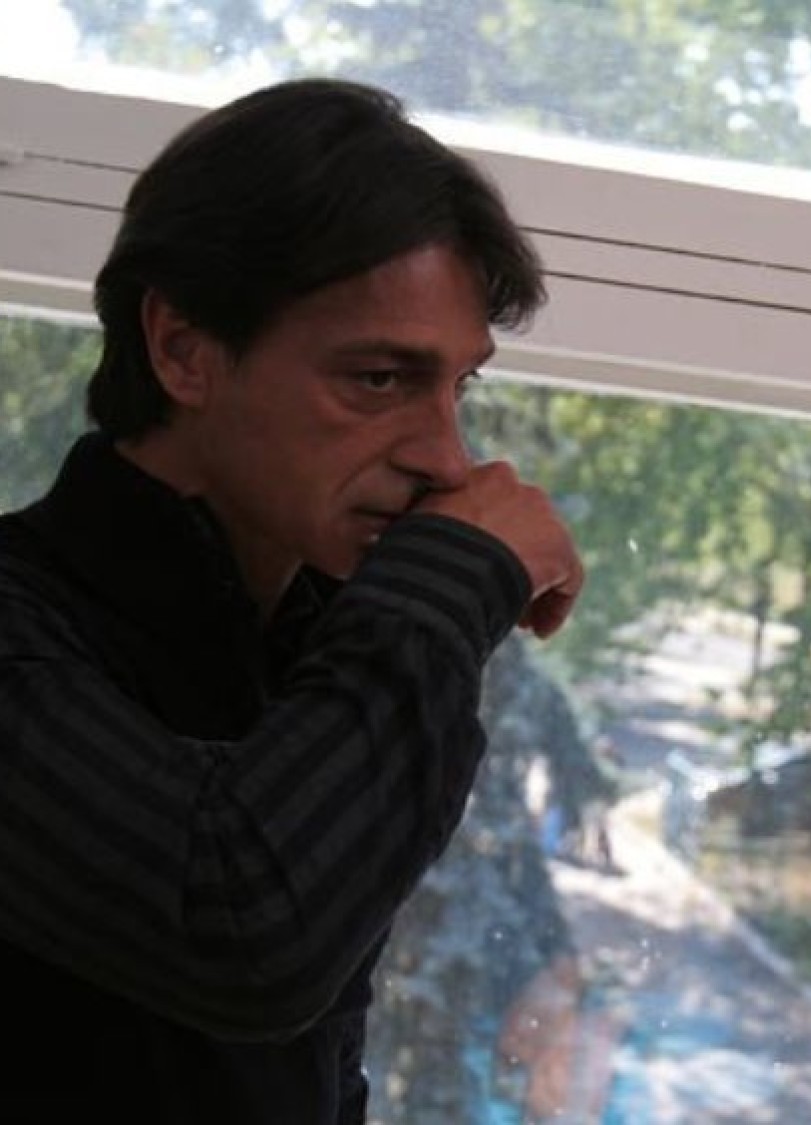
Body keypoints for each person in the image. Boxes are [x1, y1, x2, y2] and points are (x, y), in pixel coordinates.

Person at [0, 77, 584, 1124]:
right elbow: (244, 930)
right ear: (183, 348)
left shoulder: (315, 642)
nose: (446, 455)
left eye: (458, 386)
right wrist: (446, 584)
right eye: (378, 380)